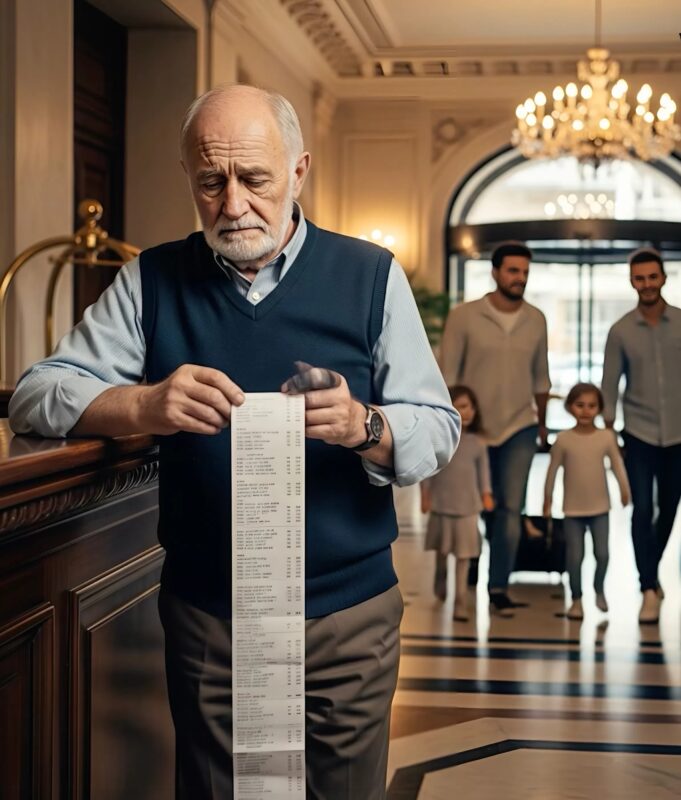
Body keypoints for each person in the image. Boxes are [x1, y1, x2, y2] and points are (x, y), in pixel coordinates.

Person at [8, 85, 460, 799]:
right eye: (211, 181)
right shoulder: (151, 279)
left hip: (347, 613)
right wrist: (141, 404)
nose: (232, 204)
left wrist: (365, 426)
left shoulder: (370, 275)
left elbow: (437, 428)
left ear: (298, 172)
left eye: (254, 179)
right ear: (188, 176)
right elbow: (36, 393)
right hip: (208, 614)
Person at [439, 242, 550, 616]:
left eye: (524, 272)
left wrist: (543, 428)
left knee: (509, 509)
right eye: (512, 271)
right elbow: (448, 377)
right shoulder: (464, 317)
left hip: (520, 425)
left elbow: (541, 379)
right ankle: (470, 561)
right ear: (496, 272)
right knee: (477, 505)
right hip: (474, 431)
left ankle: (499, 585)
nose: (520, 278)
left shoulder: (536, 319)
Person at [601, 247, 681, 625]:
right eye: (639, 278)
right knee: (642, 510)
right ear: (632, 281)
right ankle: (647, 585)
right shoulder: (620, 330)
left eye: (652, 277)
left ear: (663, 278)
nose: (646, 284)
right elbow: (609, 383)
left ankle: (650, 569)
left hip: (679, 434)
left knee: (669, 508)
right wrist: (608, 429)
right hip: (638, 432)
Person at [543, 383, 630, 620]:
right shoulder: (563, 439)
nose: (585, 411)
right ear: (570, 407)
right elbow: (552, 470)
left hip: (600, 508)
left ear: (600, 408)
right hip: (572, 509)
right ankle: (577, 598)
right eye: (580, 405)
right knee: (575, 556)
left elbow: (617, 464)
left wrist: (625, 489)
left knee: (602, 553)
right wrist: (547, 498)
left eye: (592, 406)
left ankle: (599, 589)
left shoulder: (605, 437)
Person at [420, 385, 493, 622]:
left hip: (468, 507)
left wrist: (486, 494)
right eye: (461, 406)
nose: (468, 412)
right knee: (443, 551)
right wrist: (425, 495)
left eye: (470, 406)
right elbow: (429, 469)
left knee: (464, 556)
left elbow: (484, 473)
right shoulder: (440, 440)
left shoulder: (477, 443)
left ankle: (460, 600)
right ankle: (440, 584)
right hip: (442, 504)